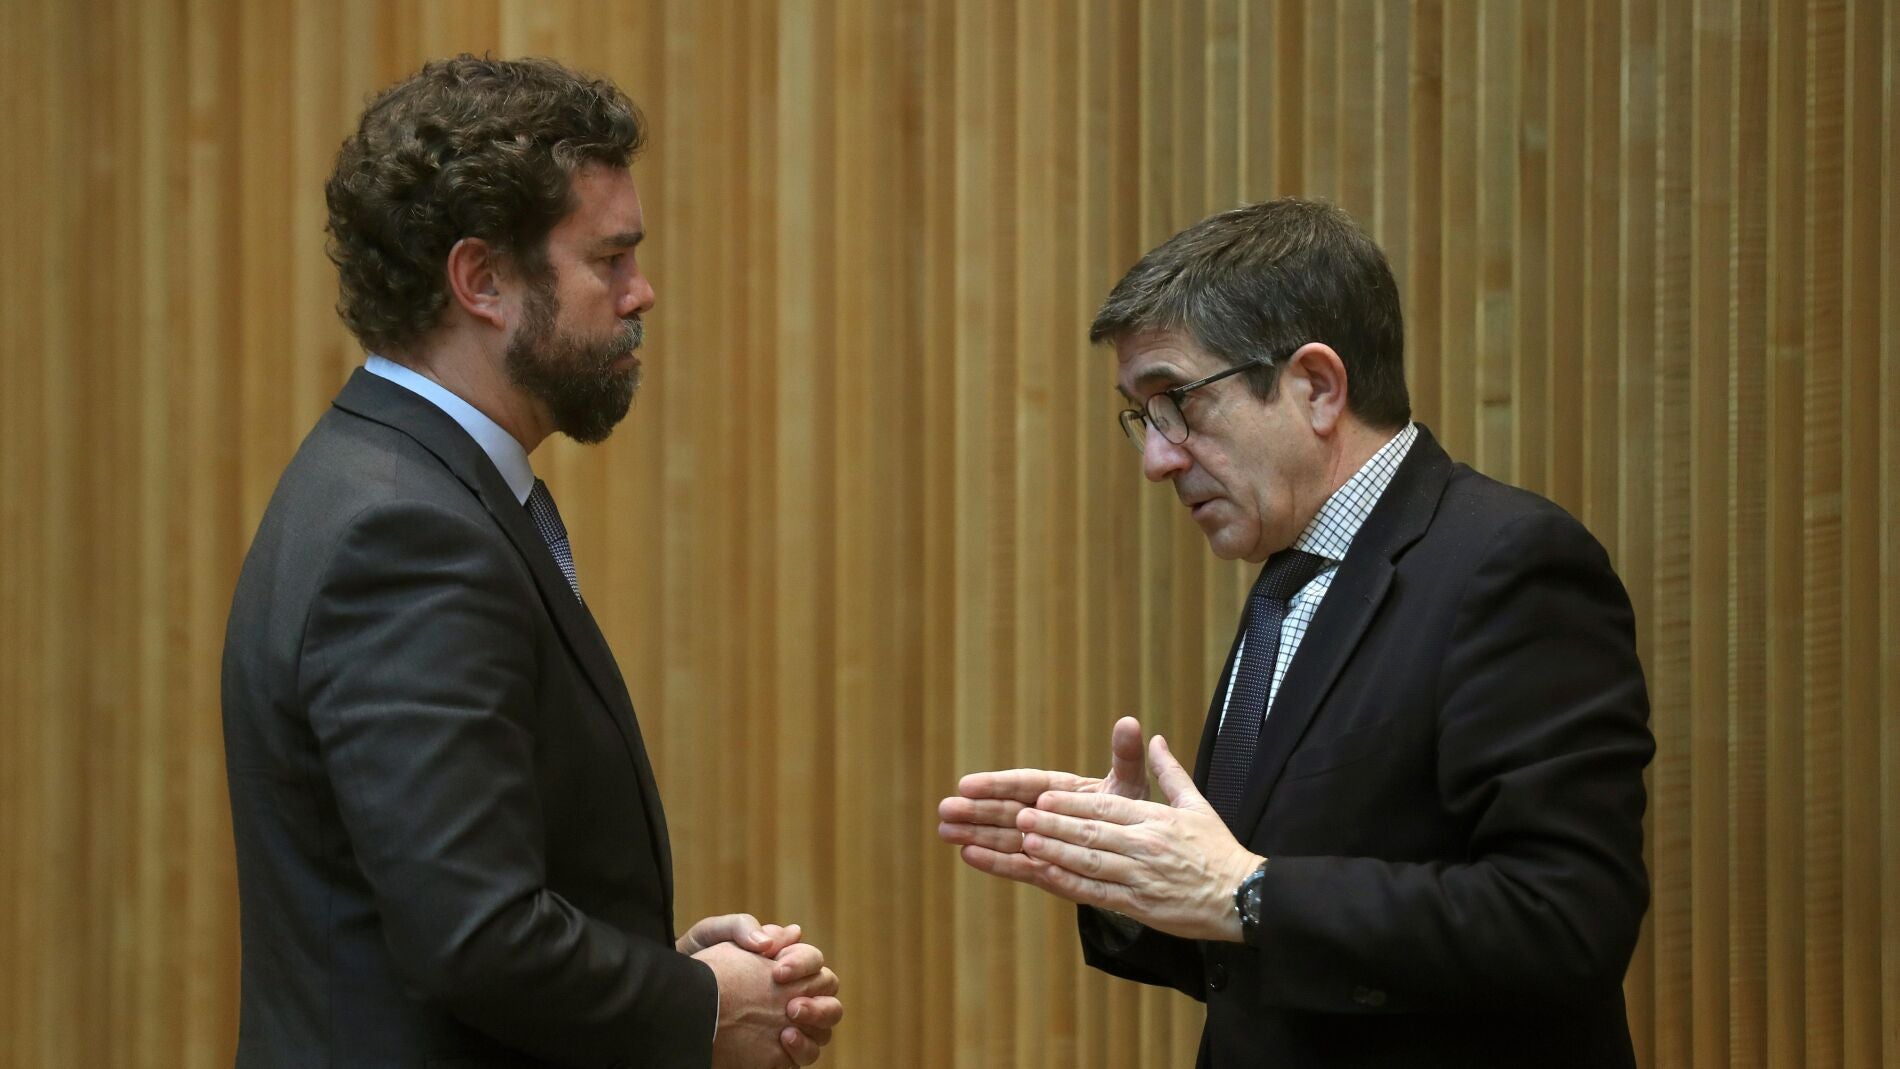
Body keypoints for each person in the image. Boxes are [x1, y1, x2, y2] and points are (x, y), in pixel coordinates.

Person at [221, 55, 841, 1069]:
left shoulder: (391, 480)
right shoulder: (406, 535)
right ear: (482, 281)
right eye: (610, 259)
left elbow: (462, 898)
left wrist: (665, 972)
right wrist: (699, 1007)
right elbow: (476, 938)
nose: (642, 293)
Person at [938, 198, 1653, 1068]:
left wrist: (1248, 892)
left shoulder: (1509, 563)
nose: (1157, 459)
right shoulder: (1291, 577)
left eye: (1177, 403)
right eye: (1142, 417)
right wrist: (1133, 870)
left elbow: (1565, 920)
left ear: (1316, 386)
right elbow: (1260, 948)